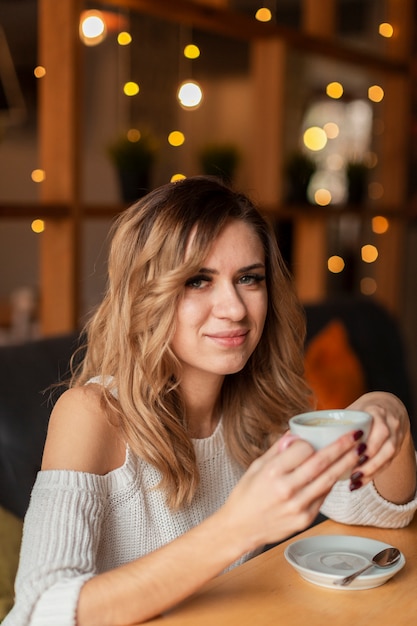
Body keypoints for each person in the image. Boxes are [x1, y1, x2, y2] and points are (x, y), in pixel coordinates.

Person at [5, 176, 417, 626]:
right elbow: (40, 611)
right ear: (147, 293)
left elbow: (377, 516)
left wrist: (387, 410)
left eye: (249, 279)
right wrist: (238, 528)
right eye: (199, 281)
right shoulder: (93, 413)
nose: (235, 308)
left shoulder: (262, 411)